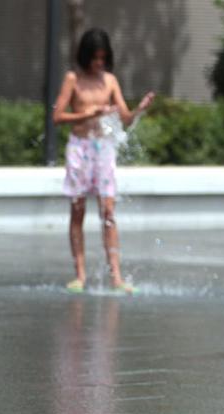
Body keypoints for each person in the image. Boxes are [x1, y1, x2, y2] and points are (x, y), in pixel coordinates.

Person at [52, 28, 155, 293]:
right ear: (85, 56)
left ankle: (116, 276)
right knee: (77, 210)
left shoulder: (109, 81)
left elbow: (125, 119)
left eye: (103, 58)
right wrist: (88, 114)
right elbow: (58, 117)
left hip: (103, 149)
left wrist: (139, 110)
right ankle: (80, 275)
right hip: (80, 148)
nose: (99, 63)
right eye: (94, 58)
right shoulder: (73, 79)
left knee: (108, 211)